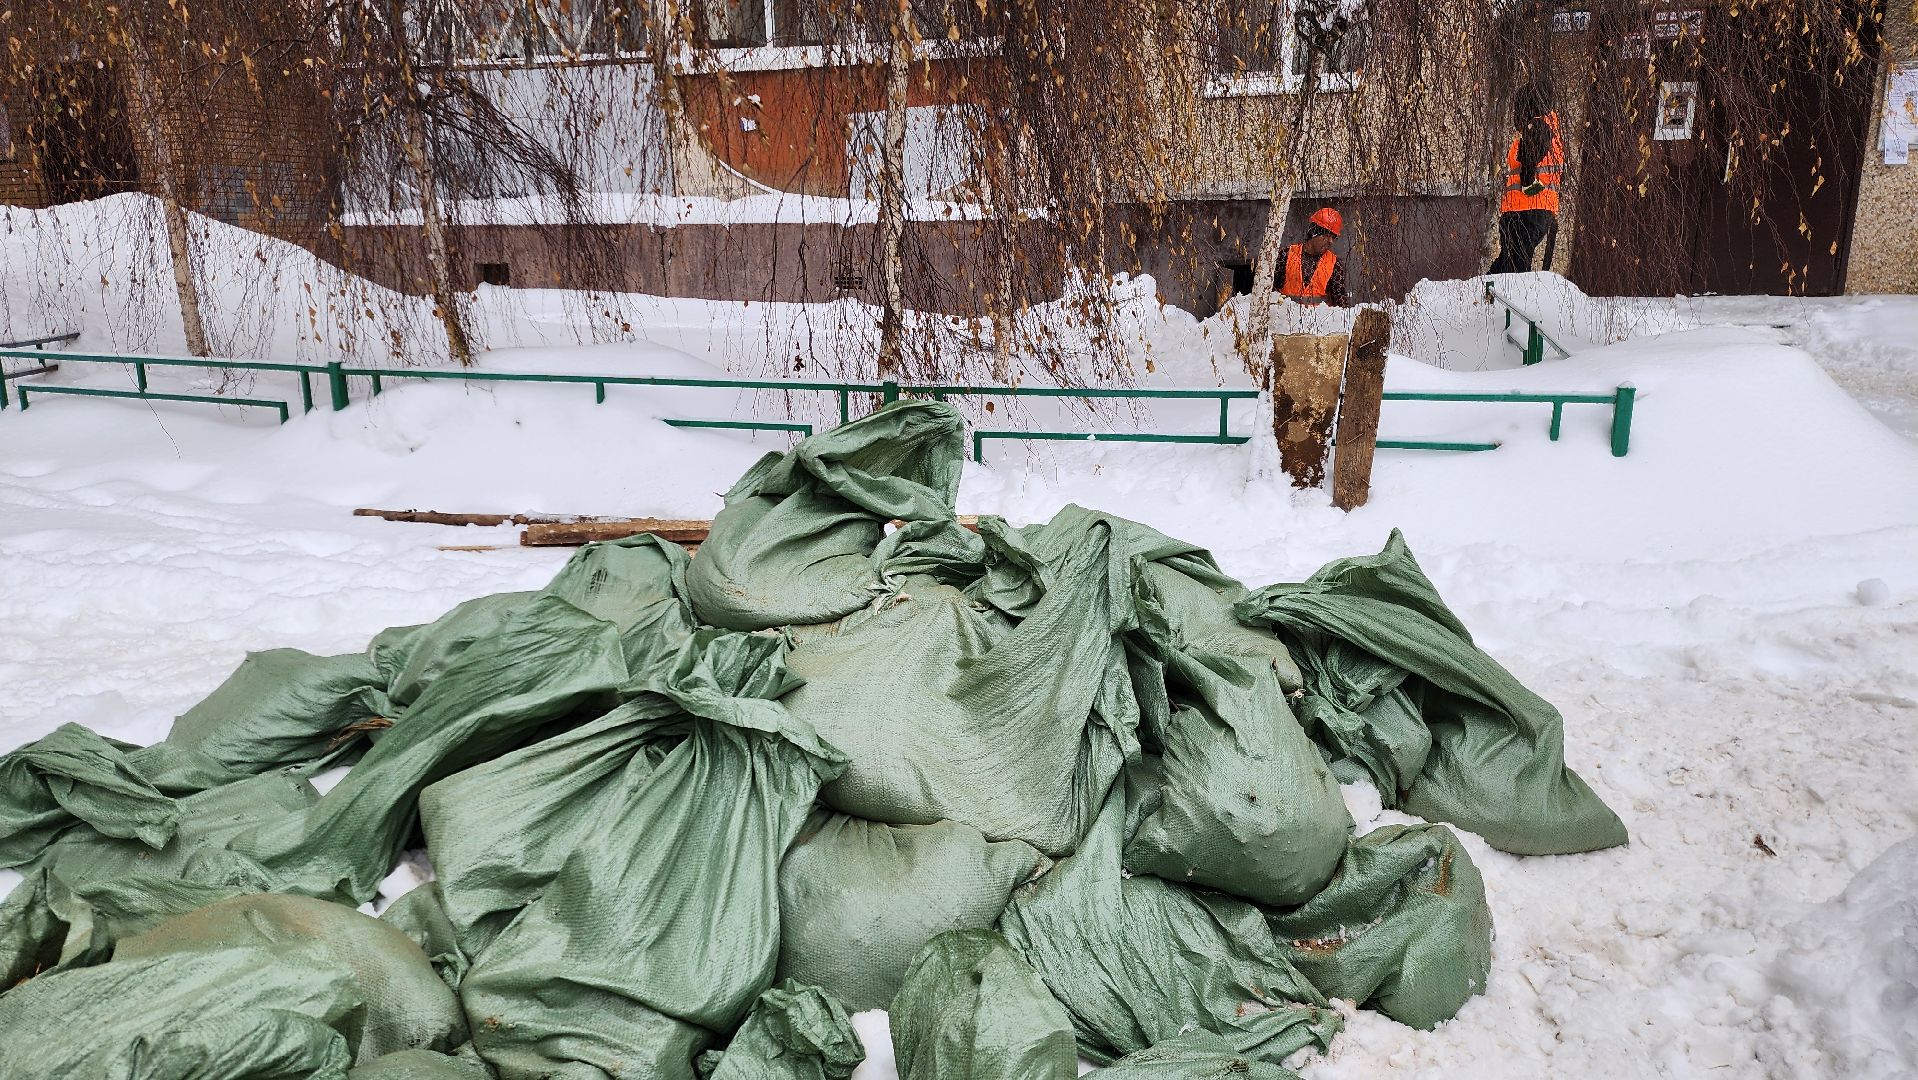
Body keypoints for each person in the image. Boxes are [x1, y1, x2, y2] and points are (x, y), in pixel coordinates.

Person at [1489, 84, 1564, 274]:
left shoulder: (1537, 128)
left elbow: (1528, 160)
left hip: (1525, 211)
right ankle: (1482, 289)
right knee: (1507, 264)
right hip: (1534, 210)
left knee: (1514, 269)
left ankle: (1487, 290)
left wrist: (1529, 186)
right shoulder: (1549, 130)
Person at [1277, 207, 1348, 307]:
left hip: (1319, 317)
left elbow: (1341, 304)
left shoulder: (1334, 264)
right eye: (1327, 235)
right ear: (1314, 232)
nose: (1331, 241)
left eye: (1333, 237)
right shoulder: (1286, 255)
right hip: (1285, 316)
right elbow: (1267, 290)